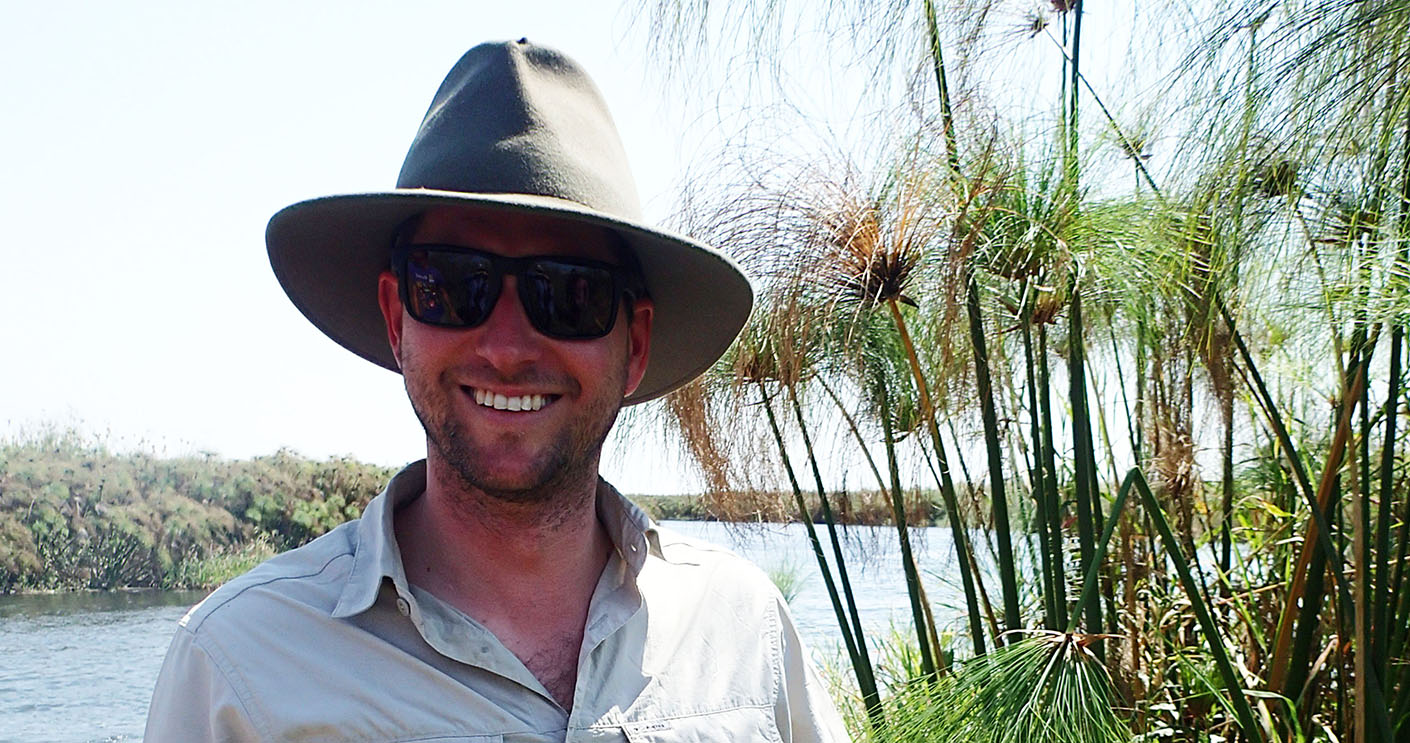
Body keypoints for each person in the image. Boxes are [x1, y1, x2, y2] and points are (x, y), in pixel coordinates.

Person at [144, 39, 851, 743]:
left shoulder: (743, 632)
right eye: (453, 284)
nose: (507, 347)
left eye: (569, 293)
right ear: (397, 319)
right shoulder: (234, 671)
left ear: (634, 343)